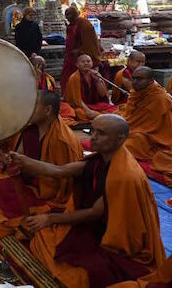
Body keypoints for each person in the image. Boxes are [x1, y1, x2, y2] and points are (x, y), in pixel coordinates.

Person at [9, 115, 165, 288]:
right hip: (99, 225)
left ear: (120, 138)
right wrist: (22, 161)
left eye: (101, 133)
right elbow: (58, 171)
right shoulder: (101, 158)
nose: (93, 137)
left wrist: (50, 219)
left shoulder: (123, 176)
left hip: (117, 239)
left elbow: (94, 213)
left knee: (76, 273)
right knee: (43, 238)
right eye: (92, 130)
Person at [0, 91, 83, 238]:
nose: (27, 110)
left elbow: (64, 183)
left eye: (33, 106)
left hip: (47, 191)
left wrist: (25, 165)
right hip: (28, 182)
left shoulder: (62, 140)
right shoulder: (29, 128)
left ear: (47, 110)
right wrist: (5, 160)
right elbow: (15, 155)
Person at [121, 66, 172, 185]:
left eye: (139, 79)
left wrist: (130, 130)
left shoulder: (160, 98)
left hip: (155, 138)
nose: (134, 82)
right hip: (136, 130)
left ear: (150, 81)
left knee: (128, 144)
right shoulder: (135, 92)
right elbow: (131, 117)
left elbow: (155, 127)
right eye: (133, 78)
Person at [64, 54, 116, 122]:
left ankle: (100, 117)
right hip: (81, 106)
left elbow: (102, 94)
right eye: (83, 62)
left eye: (88, 61)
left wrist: (98, 80)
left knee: (115, 109)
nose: (86, 63)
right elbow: (77, 99)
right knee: (80, 113)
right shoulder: (74, 78)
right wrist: (88, 111)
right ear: (77, 64)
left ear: (92, 63)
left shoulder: (95, 74)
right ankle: (102, 117)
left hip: (95, 105)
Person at [60, 6, 101, 92]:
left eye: (69, 14)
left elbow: (89, 44)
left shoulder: (84, 24)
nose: (67, 17)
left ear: (75, 14)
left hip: (84, 57)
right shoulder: (72, 25)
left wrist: (79, 51)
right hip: (71, 58)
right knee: (68, 79)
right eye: (66, 14)